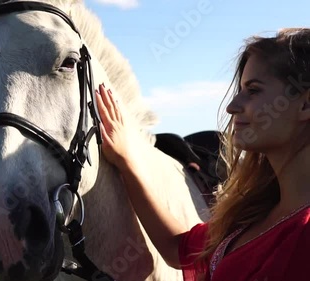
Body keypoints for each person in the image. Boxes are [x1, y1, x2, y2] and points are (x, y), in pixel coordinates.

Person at [95, 28, 310, 281]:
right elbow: (177, 248)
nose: (232, 106)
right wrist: (127, 160)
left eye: (253, 90)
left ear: (306, 104)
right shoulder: (256, 212)